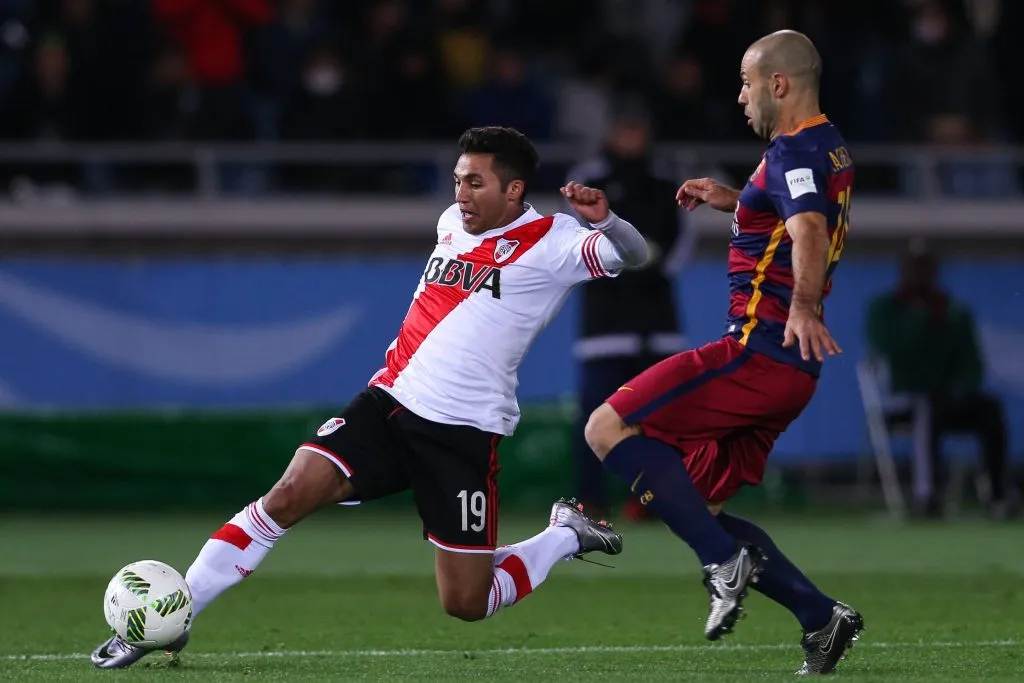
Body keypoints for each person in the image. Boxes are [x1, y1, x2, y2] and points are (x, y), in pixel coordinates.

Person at [91, 126, 649, 669]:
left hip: (462, 431)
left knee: (466, 603)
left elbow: (637, 255)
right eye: (458, 180)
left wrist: (608, 222)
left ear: (514, 189)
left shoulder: (555, 242)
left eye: (476, 182)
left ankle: (563, 537)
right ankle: (172, 617)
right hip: (389, 401)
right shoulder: (451, 223)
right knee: (287, 495)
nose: (461, 194)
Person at [584, 30, 864, 675]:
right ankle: (821, 619)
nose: (739, 96)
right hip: (789, 369)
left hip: (757, 351)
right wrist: (738, 204)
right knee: (697, 508)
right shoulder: (829, 144)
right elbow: (799, 210)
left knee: (606, 427)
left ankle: (722, 563)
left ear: (779, 84)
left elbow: (810, 227)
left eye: (745, 82)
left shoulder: (795, 148)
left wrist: (802, 305)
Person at [565, 100, 691, 519]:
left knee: (661, 417)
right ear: (611, 133)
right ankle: (590, 498)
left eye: (638, 129)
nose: (632, 138)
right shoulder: (589, 179)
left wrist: (654, 270)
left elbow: (681, 242)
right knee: (593, 416)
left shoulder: (667, 179)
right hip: (605, 325)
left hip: (658, 320)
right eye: (625, 129)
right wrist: (623, 270)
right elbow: (575, 238)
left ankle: (652, 499)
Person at [867, 239, 1014, 518]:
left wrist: (963, 386)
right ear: (904, 269)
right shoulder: (886, 309)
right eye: (915, 266)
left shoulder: (953, 311)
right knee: (926, 408)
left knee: (990, 408)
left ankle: (999, 495)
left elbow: (972, 361)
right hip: (904, 397)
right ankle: (928, 496)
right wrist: (922, 320)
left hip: (949, 397)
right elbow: (891, 348)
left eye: (926, 267)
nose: (921, 273)